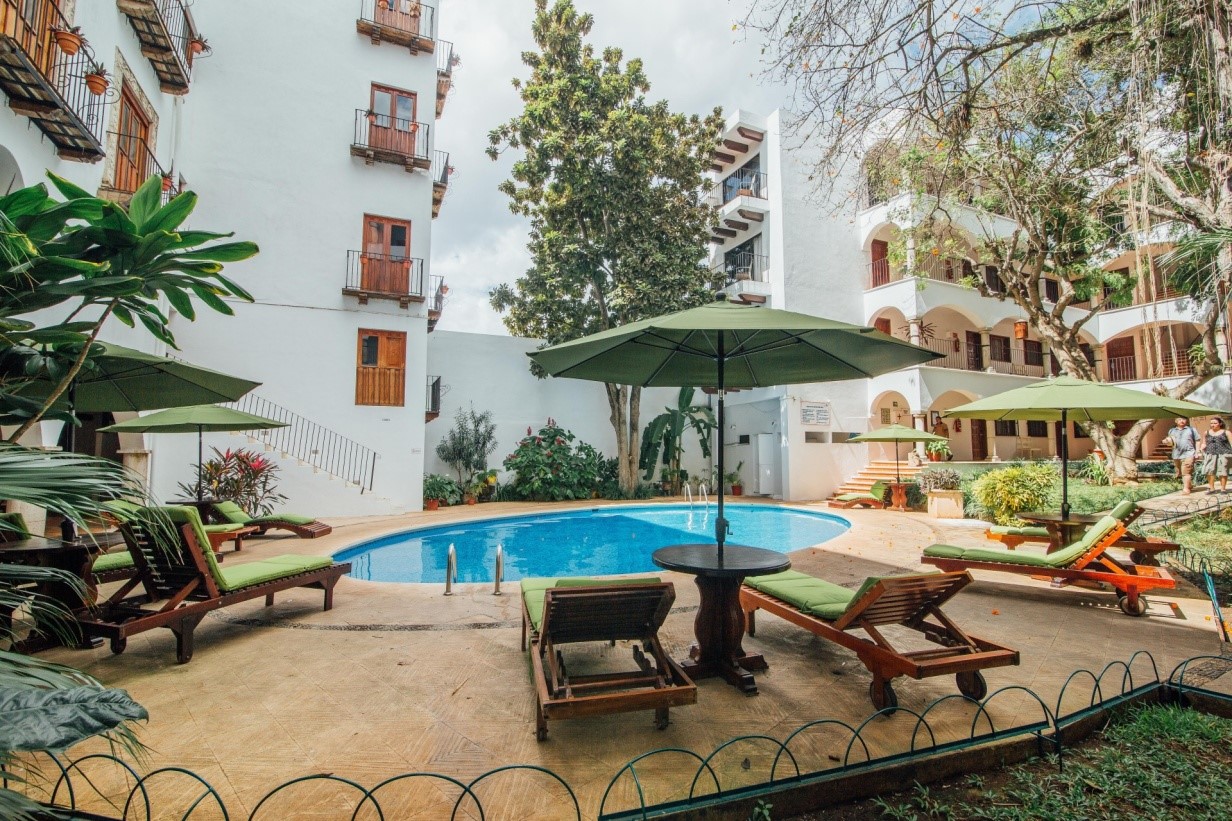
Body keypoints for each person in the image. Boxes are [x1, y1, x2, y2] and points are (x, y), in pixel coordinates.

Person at [1167, 416, 1199, 494]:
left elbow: (1197, 440)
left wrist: (1197, 452)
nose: (1182, 421)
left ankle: (1186, 489)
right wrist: (1166, 441)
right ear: (1176, 421)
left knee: (1186, 472)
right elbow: (1170, 441)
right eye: (1180, 419)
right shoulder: (1171, 431)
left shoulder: (1191, 430)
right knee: (1180, 472)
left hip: (1189, 453)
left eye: (1184, 419)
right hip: (1176, 454)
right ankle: (1189, 485)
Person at [1199, 417, 1232, 494]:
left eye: (1215, 423)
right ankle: (1212, 488)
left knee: (1222, 471)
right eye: (1211, 423)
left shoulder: (1226, 432)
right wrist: (1201, 448)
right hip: (1210, 453)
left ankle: (1223, 489)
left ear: (1220, 424)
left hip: (1223, 453)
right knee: (1209, 471)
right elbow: (1204, 442)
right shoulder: (1206, 432)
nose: (1212, 425)